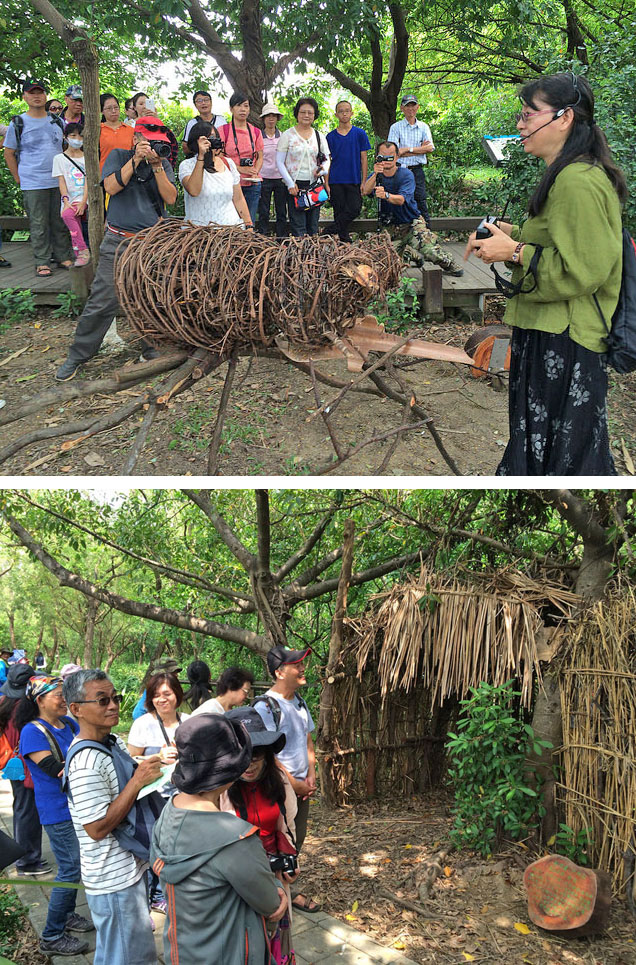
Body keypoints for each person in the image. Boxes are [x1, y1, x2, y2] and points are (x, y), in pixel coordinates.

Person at [464, 72, 625, 475]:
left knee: (565, 460)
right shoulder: (567, 173)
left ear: (565, 118)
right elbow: (560, 244)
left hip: (567, 343)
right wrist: (506, 236)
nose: (519, 125)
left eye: (528, 115)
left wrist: (515, 251)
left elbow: (585, 270)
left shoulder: (578, 180)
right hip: (550, 333)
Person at [150, 713, 287, 965]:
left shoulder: (169, 812)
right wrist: (278, 889)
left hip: (183, 951)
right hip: (229, 953)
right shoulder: (235, 839)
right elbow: (270, 903)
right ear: (230, 770)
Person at [55, 114, 177, 382]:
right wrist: (135, 161)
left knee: (151, 298)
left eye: (158, 142)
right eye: (149, 141)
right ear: (136, 139)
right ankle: (78, 355)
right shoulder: (119, 156)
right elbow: (110, 186)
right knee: (102, 300)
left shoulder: (163, 161)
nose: (154, 146)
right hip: (118, 241)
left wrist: (156, 165)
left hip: (152, 244)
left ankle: (152, 347)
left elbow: (170, 198)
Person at [63, 669, 161, 965]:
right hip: (113, 877)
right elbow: (96, 828)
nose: (113, 705)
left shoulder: (112, 742)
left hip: (128, 869)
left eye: (115, 698)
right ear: (76, 709)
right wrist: (138, 780)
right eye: (102, 700)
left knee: (116, 953)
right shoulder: (85, 763)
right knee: (131, 957)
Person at [18, 675, 94, 957]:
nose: (65, 699)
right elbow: (54, 769)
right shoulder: (32, 732)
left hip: (77, 805)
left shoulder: (69, 723)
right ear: (40, 700)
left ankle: (68, 914)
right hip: (57, 811)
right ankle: (51, 935)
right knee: (71, 868)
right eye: (59, 695)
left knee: (74, 866)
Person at [222, 708, 298, 965]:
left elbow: (286, 827)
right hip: (235, 875)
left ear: (267, 754)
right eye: (240, 754)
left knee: (275, 933)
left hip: (272, 872)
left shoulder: (279, 783)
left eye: (256, 754)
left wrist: (290, 859)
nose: (249, 763)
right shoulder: (219, 789)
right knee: (243, 942)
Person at [254, 646, 320, 913]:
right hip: (278, 789)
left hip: (302, 788)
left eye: (302, 663)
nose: (302, 668)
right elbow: (267, 753)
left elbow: (307, 740)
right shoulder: (265, 707)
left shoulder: (300, 702)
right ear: (279, 672)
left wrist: (312, 775)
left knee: (295, 840)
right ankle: (270, 893)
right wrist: (293, 784)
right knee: (273, 841)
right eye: (296, 664)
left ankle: (286, 888)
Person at [127, 671, 189, 916]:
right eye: (155, 695)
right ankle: (157, 895)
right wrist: (157, 758)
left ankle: (175, 890)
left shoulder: (188, 720)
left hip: (184, 795)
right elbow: (131, 760)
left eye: (167, 694)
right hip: (154, 797)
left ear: (177, 694)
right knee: (157, 846)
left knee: (179, 846)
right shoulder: (143, 724)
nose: (162, 700)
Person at [3, 80, 73, 276]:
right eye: (31, 93)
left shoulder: (57, 121)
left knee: (60, 220)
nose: (36, 96)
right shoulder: (18, 122)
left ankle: (62, 256)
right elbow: (9, 153)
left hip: (58, 180)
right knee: (38, 222)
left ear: (45, 95)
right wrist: (18, 178)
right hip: (33, 181)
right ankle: (42, 261)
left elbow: (65, 147)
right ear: (25, 96)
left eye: (40, 92)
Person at [362, 142, 463, 275]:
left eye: (390, 157)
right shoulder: (376, 176)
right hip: (390, 227)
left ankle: (449, 263)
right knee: (386, 266)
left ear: (397, 157)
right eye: (382, 157)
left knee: (430, 251)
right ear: (377, 157)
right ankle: (409, 253)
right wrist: (375, 174)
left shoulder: (406, 175)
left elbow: (401, 200)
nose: (386, 161)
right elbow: (365, 191)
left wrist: (386, 195)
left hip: (411, 223)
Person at [0, 664, 50, 876]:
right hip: (28, 763)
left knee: (22, 808)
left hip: (12, 763)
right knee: (28, 811)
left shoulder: (4, 702)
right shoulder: (25, 706)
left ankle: (27, 856)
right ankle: (27, 860)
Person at [179, 121, 253, 227]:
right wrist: (201, 157)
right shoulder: (187, 165)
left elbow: (238, 198)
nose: (210, 142)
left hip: (230, 232)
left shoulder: (228, 163)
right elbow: (194, 191)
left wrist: (248, 225)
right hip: (198, 233)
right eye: (206, 139)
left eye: (213, 137)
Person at [277, 97, 330, 238]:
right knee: (298, 226)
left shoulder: (319, 136)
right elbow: (279, 162)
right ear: (297, 114)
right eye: (303, 112)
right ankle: (300, 257)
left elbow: (326, 159)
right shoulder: (287, 135)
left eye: (310, 113)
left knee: (313, 226)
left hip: (314, 186)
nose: (306, 115)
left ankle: (312, 258)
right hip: (295, 187)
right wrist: (289, 183)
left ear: (314, 115)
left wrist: (322, 170)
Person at [326, 100, 371, 242]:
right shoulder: (330, 137)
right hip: (335, 180)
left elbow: (364, 159)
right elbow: (327, 162)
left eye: (347, 110)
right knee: (338, 211)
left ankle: (328, 231)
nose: (344, 113)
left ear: (351, 113)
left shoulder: (359, 134)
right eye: (341, 111)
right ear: (336, 114)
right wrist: (326, 183)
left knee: (354, 208)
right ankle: (344, 243)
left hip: (354, 179)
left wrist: (364, 181)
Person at [388, 93, 434, 227]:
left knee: (420, 200)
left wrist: (407, 149)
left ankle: (426, 233)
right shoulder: (395, 128)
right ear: (402, 108)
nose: (411, 109)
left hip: (417, 170)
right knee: (400, 200)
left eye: (413, 105)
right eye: (407, 106)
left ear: (418, 107)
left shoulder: (424, 127)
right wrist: (420, 149)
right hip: (400, 171)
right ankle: (401, 234)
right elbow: (394, 153)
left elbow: (430, 148)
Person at [220, 93, 264, 225]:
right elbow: (219, 157)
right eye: (238, 106)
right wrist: (239, 169)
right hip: (230, 183)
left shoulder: (256, 132)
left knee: (249, 221)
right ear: (231, 108)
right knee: (230, 221)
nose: (243, 109)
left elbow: (260, 157)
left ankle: (247, 244)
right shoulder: (223, 131)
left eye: (246, 106)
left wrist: (255, 170)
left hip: (252, 183)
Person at [51, 122, 90, 267]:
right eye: (73, 135)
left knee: (67, 215)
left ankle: (82, 250)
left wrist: (83, 201)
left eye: (80, 136)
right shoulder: (59, 159)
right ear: (65, 137)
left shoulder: (88, 158)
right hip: (69, 198)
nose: (77, 139)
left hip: (84, 197)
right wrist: (65, 200)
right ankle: (79, 254)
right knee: (73, 220)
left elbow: (88, 181)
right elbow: (61, 182)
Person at [256, 102, 288, 238]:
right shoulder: (258, 136)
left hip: (280, 178)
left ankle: (282, 238)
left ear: (277, 118)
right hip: (264, 177)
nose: (271, 119)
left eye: (273, 116)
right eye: (268, 116)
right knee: (263, 211)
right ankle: (263, 237)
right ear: (263, 118)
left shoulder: (283, 136)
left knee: (281, 210)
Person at [132, 93, 178, 168]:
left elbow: (171, 147)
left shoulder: (160, 126)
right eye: (141, 104)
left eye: (146, 103)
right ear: (134, 107)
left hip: (159, 166)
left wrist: (155, 120)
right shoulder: (129, 126)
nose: (144, 106)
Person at [190, 666, 254, 716]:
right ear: (231, 686)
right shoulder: (209, 711)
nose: (247, 696)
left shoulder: (229, 711)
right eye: (245, 691)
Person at [182, 90, 226, 156]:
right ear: (195, 105)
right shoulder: (192, 123)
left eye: (206, 100)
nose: (203, 103)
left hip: (219, 158)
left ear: (211, 102)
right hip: (198, 159)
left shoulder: (221, 120)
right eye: (199, 101)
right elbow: (185, 147)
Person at [99, 93, 134, 172]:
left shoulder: (130, 130)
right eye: (109, 108)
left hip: (127, 174)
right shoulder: (98, 130)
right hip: (105, 175)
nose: (113, 111)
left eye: (116, 107)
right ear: (102, 111)